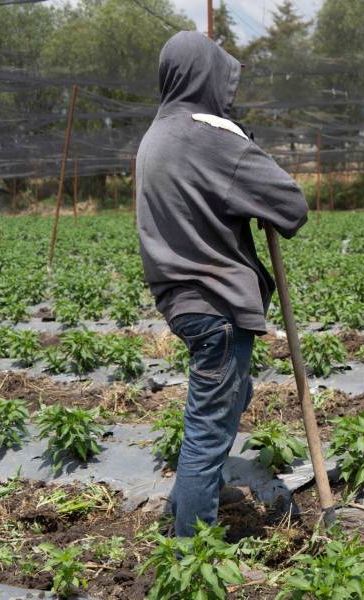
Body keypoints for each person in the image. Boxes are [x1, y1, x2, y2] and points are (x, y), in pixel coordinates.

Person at [136, 32, 308, 537]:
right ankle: (194, 549)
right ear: (206, 76)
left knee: (228, 399)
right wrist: (243, 145)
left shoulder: (157, 134)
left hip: (179, 297)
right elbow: (292, 207)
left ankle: (200, 490)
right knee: (208, 425)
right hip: (217, 302)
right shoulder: (210, 134)